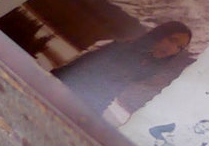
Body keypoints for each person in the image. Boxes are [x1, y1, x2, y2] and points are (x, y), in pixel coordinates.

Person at [54, 22, 192, 117]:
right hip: (58, 95)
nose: (172, 49)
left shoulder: (146, 67)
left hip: (81, 107)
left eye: (179, 48)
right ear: (159, 35)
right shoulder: (119, 48)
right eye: (172, 40)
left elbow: (107, 94)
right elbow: (75, 73)